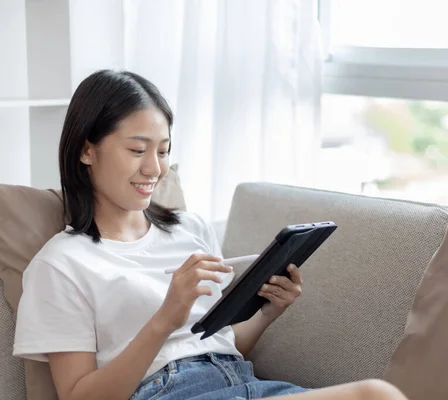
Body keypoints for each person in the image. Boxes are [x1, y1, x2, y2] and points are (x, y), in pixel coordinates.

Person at [12, 70, 407, 400]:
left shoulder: (190, 228)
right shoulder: (60, 264)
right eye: (137, 150)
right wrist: (165, 318)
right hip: (166, 393)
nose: (155, 168)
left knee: (379, 395)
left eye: (163, 151)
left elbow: (215, 345)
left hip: (243, 384)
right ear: (86, 151)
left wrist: (268, 313)